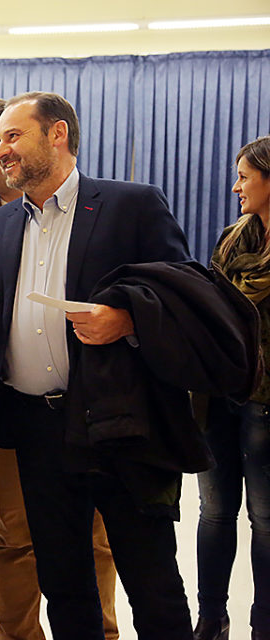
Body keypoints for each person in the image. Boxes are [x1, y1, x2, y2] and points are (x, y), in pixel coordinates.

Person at [0, 92, 195, 639]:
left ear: (57, 134)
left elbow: (182, 296)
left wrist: (127, 319)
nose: (1, 150)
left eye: (13, 136)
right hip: (34, 429)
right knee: (64, 583)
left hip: (118, 422)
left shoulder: (132, 205)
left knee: (150, 580)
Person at [194, 136, 270, 640]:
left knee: (266, 519)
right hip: (219, 394)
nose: (236, 187)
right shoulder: (233, 239)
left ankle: (263, 624)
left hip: (267, 402)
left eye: (244, 176)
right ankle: (211, 619)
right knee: (215, 513)